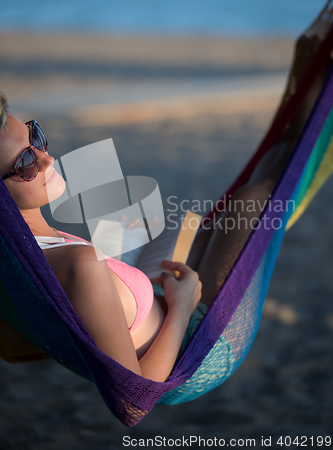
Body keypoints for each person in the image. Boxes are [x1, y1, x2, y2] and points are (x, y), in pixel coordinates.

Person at [0, 79, 321, 383]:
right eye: (26, 162)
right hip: (196, 343)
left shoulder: (15, 254)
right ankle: (321, 87)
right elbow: (133, 401)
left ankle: (316, 87)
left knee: (219, 216)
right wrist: (181, 308)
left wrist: (123, 272)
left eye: (35, 136)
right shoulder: (78, 264)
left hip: (161, 293)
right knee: (255, 196)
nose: (47, 158)